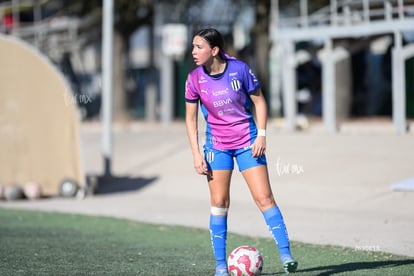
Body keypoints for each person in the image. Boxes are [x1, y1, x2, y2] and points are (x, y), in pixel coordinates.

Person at [185, 28, 298, 275]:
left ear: (214, 50)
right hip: (217, 147)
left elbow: (259, 101)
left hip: (248, 142)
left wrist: (262, 135)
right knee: (219, 202)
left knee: (264, 198)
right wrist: (196, 153)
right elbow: (191, 119)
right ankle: (221, 266)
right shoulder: (194, 79)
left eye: (199, 47)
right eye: (193, 47)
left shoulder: (240, 70)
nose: (193, 52)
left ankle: (286, 254)